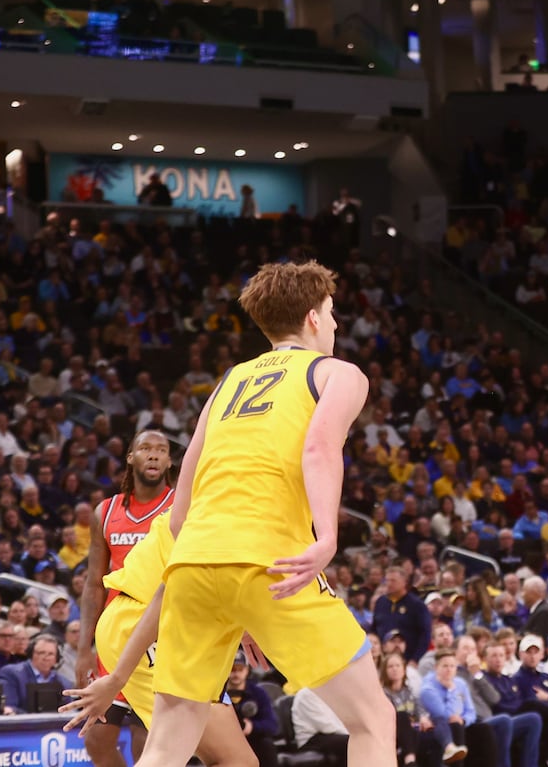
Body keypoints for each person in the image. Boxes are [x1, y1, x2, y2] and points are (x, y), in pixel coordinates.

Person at [130, 260, 395, 767]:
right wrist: (327, 538)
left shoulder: (229, 381)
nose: (336, 324)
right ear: (314, 318)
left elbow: (181, 502)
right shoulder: (339, 373)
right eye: (333, 313)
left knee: (166, 743)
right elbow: (319, 448)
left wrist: (237, 605)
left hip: (193, 563)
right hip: (272, 564)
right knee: (373, 719)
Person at [59, 513, 258, 767]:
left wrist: (244, 622)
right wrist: (116, 679)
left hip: (139, 619)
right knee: (224, 759)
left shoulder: (208, 500)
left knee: (225, 758)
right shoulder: (232, 519)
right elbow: (168, 592)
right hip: (148, 621)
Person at [75, 428, 175, 767]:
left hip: (163, 632)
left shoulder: (179, 508)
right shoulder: (105, 512)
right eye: (145, 448)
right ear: (130, 457)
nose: (154, 455)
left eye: (162, 450)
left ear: (170, 460)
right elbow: (93, 585)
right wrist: (83, 649)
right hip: (115, 636)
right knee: (97, 740)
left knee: (148, 738)